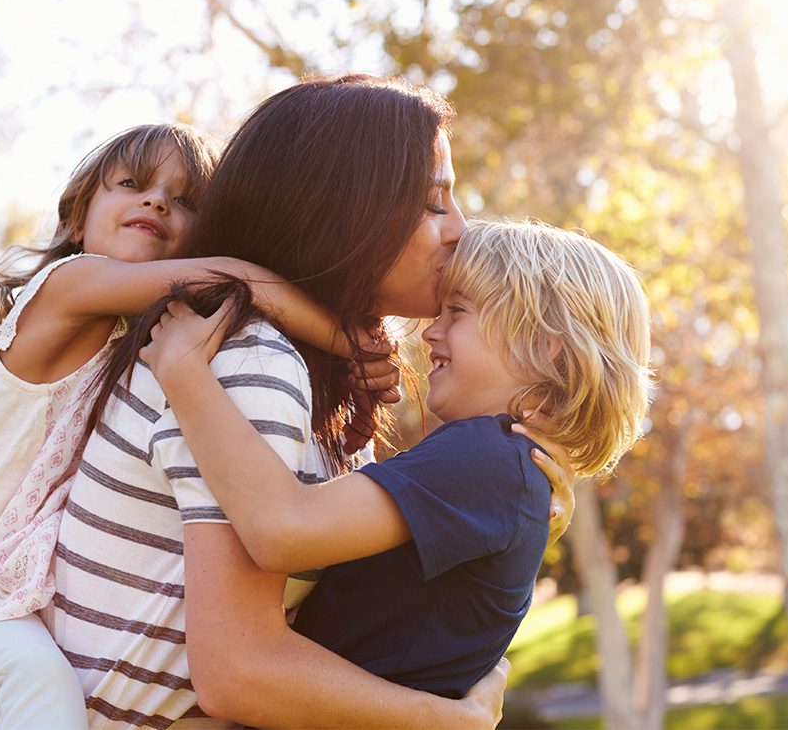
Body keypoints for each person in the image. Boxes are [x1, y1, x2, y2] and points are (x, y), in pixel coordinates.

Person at [44, 75, 575, 729]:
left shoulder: (303, 377)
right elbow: (240, 674)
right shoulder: (251, 363)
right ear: (346, 209)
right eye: (434, 202)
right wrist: (447, 720)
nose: (459, 229)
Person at [0, 123, 362, 729]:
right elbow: (232, 279)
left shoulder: (137, 350)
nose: (156, 201)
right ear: (80, 219)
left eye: (183, 200)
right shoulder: (65, 286)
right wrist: (351, 346)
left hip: (22, 607)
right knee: (37, 683)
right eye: (132, 184)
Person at [143, 217, 653, 699]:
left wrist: (184, 371)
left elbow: (283, 528)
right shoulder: (508, 468)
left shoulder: (486, 456)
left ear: (547, 349)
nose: (431, 331)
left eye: (459, 311)